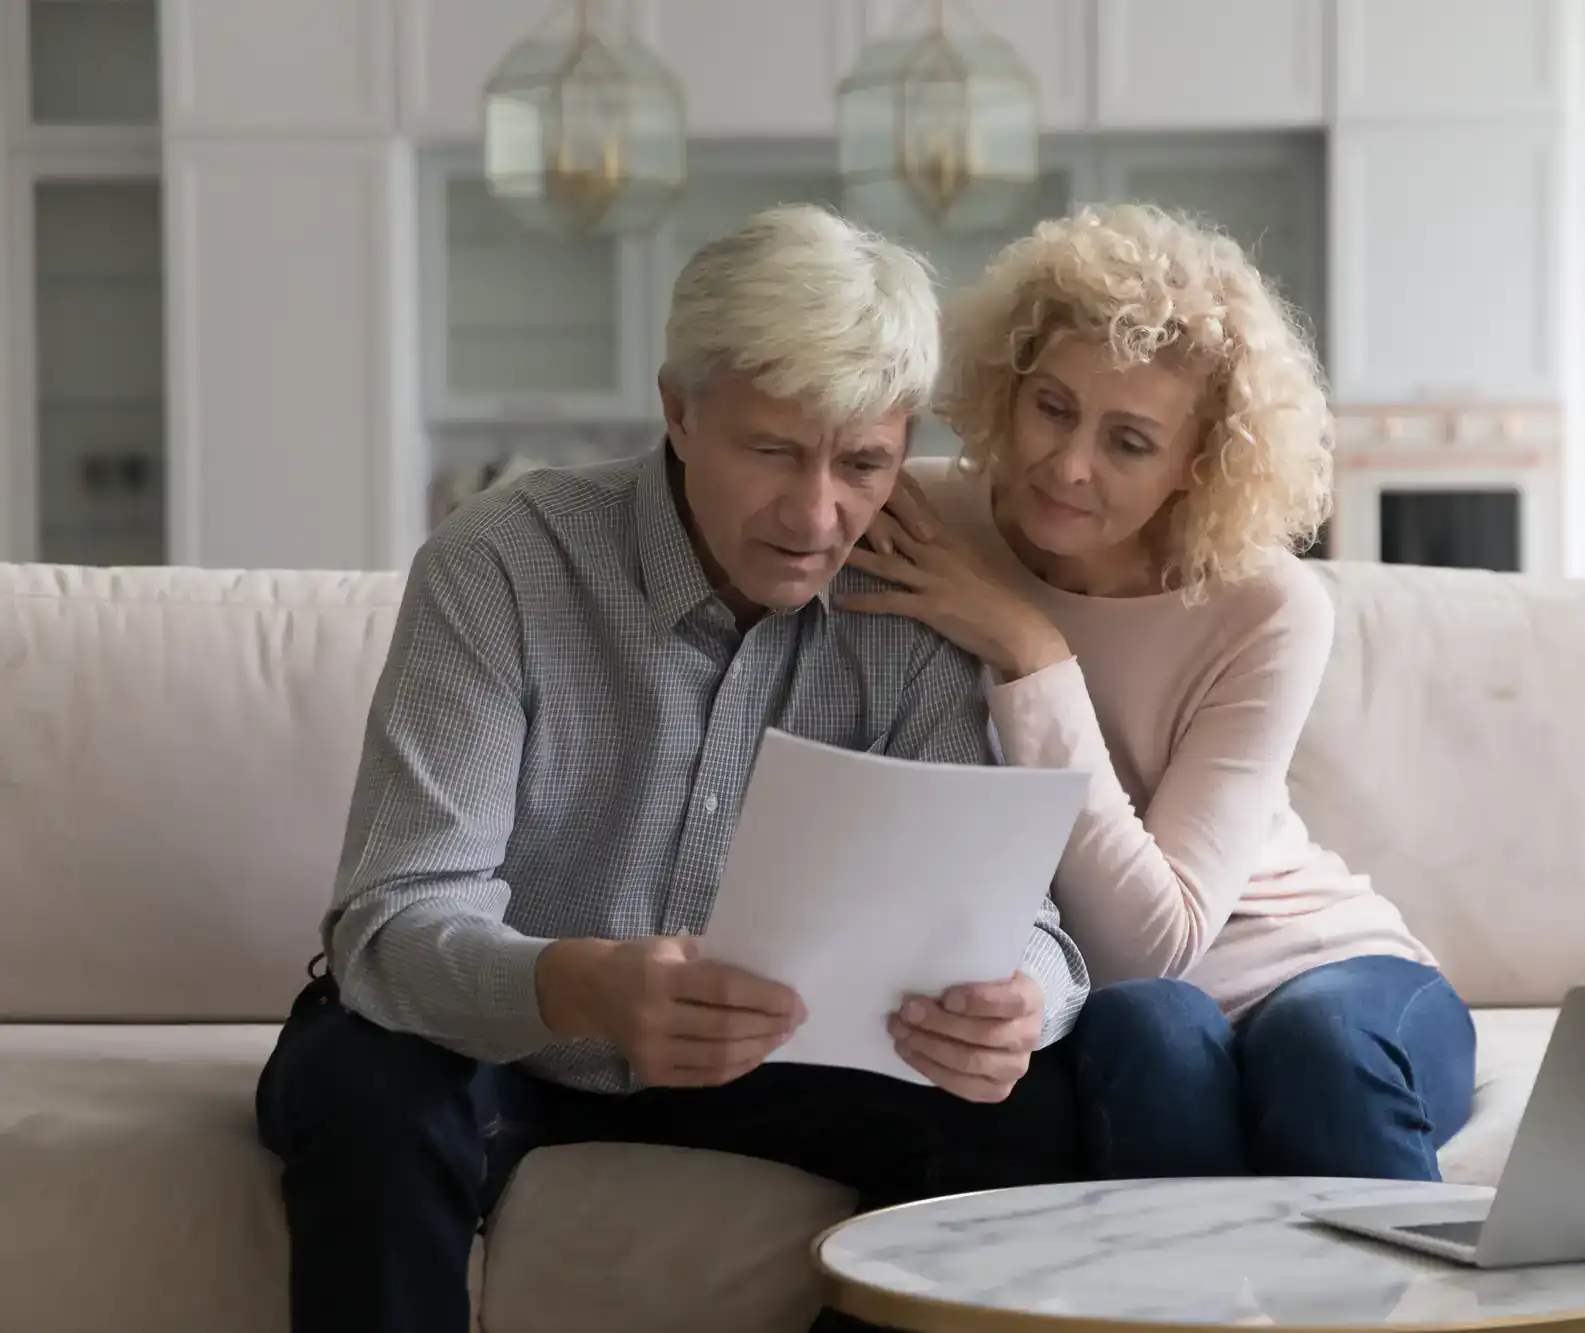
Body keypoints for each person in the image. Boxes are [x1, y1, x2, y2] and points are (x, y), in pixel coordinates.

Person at [254, 204, 1091, 1333]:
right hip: (511, 1042)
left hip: (782, 1063)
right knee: (366, 1081)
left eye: (863, 463)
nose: (816, 514)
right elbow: (391, 923)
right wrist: (582, 985)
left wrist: (1019, 1001)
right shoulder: (504, 563)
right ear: (679, 412)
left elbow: (1027, 926)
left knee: (1038, 1116)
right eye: (772, 451)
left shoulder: (917, 599)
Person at [840, 202, 1476, 1183]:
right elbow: (1128, 977)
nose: (1068, 464)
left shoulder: (1265, 606)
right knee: (1145, 1028)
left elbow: (1154, 940)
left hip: (1322, 968)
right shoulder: (922, 520)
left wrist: (1031, 653)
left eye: (1129, 442)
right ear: (1009, 385)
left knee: (1315, 1048)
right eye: (1053, 407)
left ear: (1196, 464)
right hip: (1113, 994)